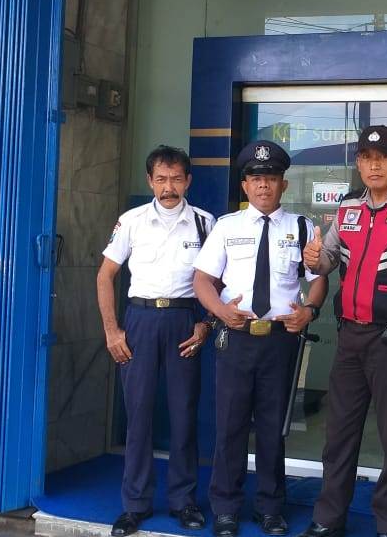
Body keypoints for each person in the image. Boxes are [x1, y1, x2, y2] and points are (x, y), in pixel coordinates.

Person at [298, 125, 387, 537]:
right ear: (359, 163)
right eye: (366, 158)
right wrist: (314, 258)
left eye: (383, 158)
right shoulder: (348, 209)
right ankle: (329, 518)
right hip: (350, 338)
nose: (374, 166)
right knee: (338, 433)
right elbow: (327, 260)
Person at [192, 140, 328, 537]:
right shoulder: (226, 226)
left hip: (280, 341)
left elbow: (318, 279)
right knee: (231, 426)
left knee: (273, 427)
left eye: (270, 178)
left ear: (284, 184)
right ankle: (226, 508)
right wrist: (220, 311)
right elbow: (202, 280)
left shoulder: (301, 227)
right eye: (255, 178)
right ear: (245, 185)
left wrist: (309, 310)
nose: (263, 185)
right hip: (236, 337)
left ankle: (270, 507)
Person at [97, 145, 214, 536]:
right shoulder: (131, 221)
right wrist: (112, 330)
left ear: (188, 181)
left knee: (184, 414)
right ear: (150, 181)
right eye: (161, 179)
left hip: (184, 321)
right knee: (139, 415)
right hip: (140, 321)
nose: (169, 187)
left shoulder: (204, 223)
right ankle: (135, 505)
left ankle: (183, 501)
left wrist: (206, 324)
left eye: (176, 178)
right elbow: (105, 276)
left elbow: (218, 281)